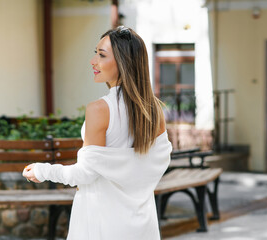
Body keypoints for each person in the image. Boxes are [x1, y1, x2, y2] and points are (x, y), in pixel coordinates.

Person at [23, 26, 172, 240]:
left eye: (101, 55)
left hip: (100, 221)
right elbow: (155, 165)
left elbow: (85, 174)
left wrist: (41, 171)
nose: (93, 61)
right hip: (141, 223)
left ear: (124, 62)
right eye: (95, 53)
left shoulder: (99, 110)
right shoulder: (154, 110)